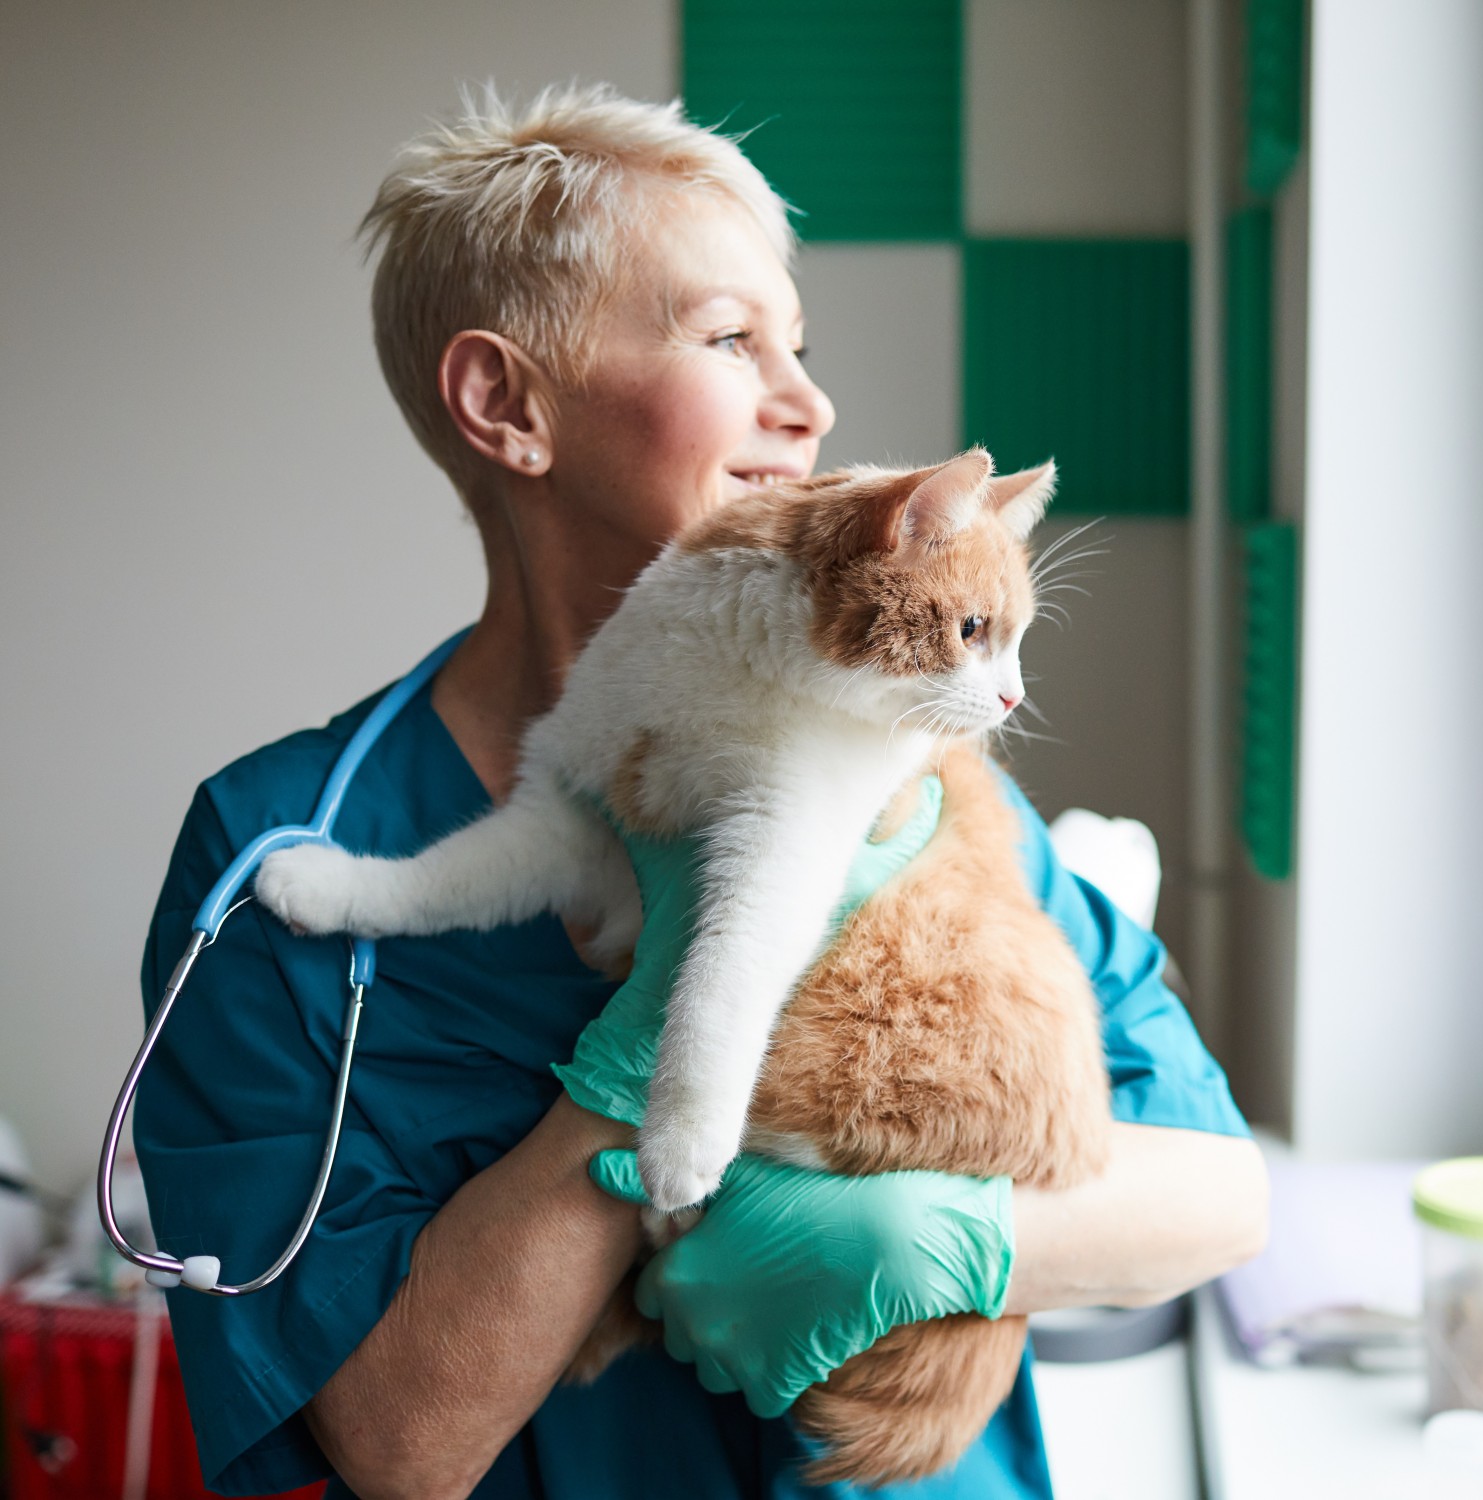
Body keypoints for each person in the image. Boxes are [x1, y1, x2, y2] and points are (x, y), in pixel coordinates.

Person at [135, 84, 1268, 1500]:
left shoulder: (897, 752)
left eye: (803, 346)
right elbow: (400, 1448)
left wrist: (955, 1235)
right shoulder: (280, 849)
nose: (811, 406)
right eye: (732, 340)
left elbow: (1224, 1193)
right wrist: (647, 1048)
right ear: (506, 403)